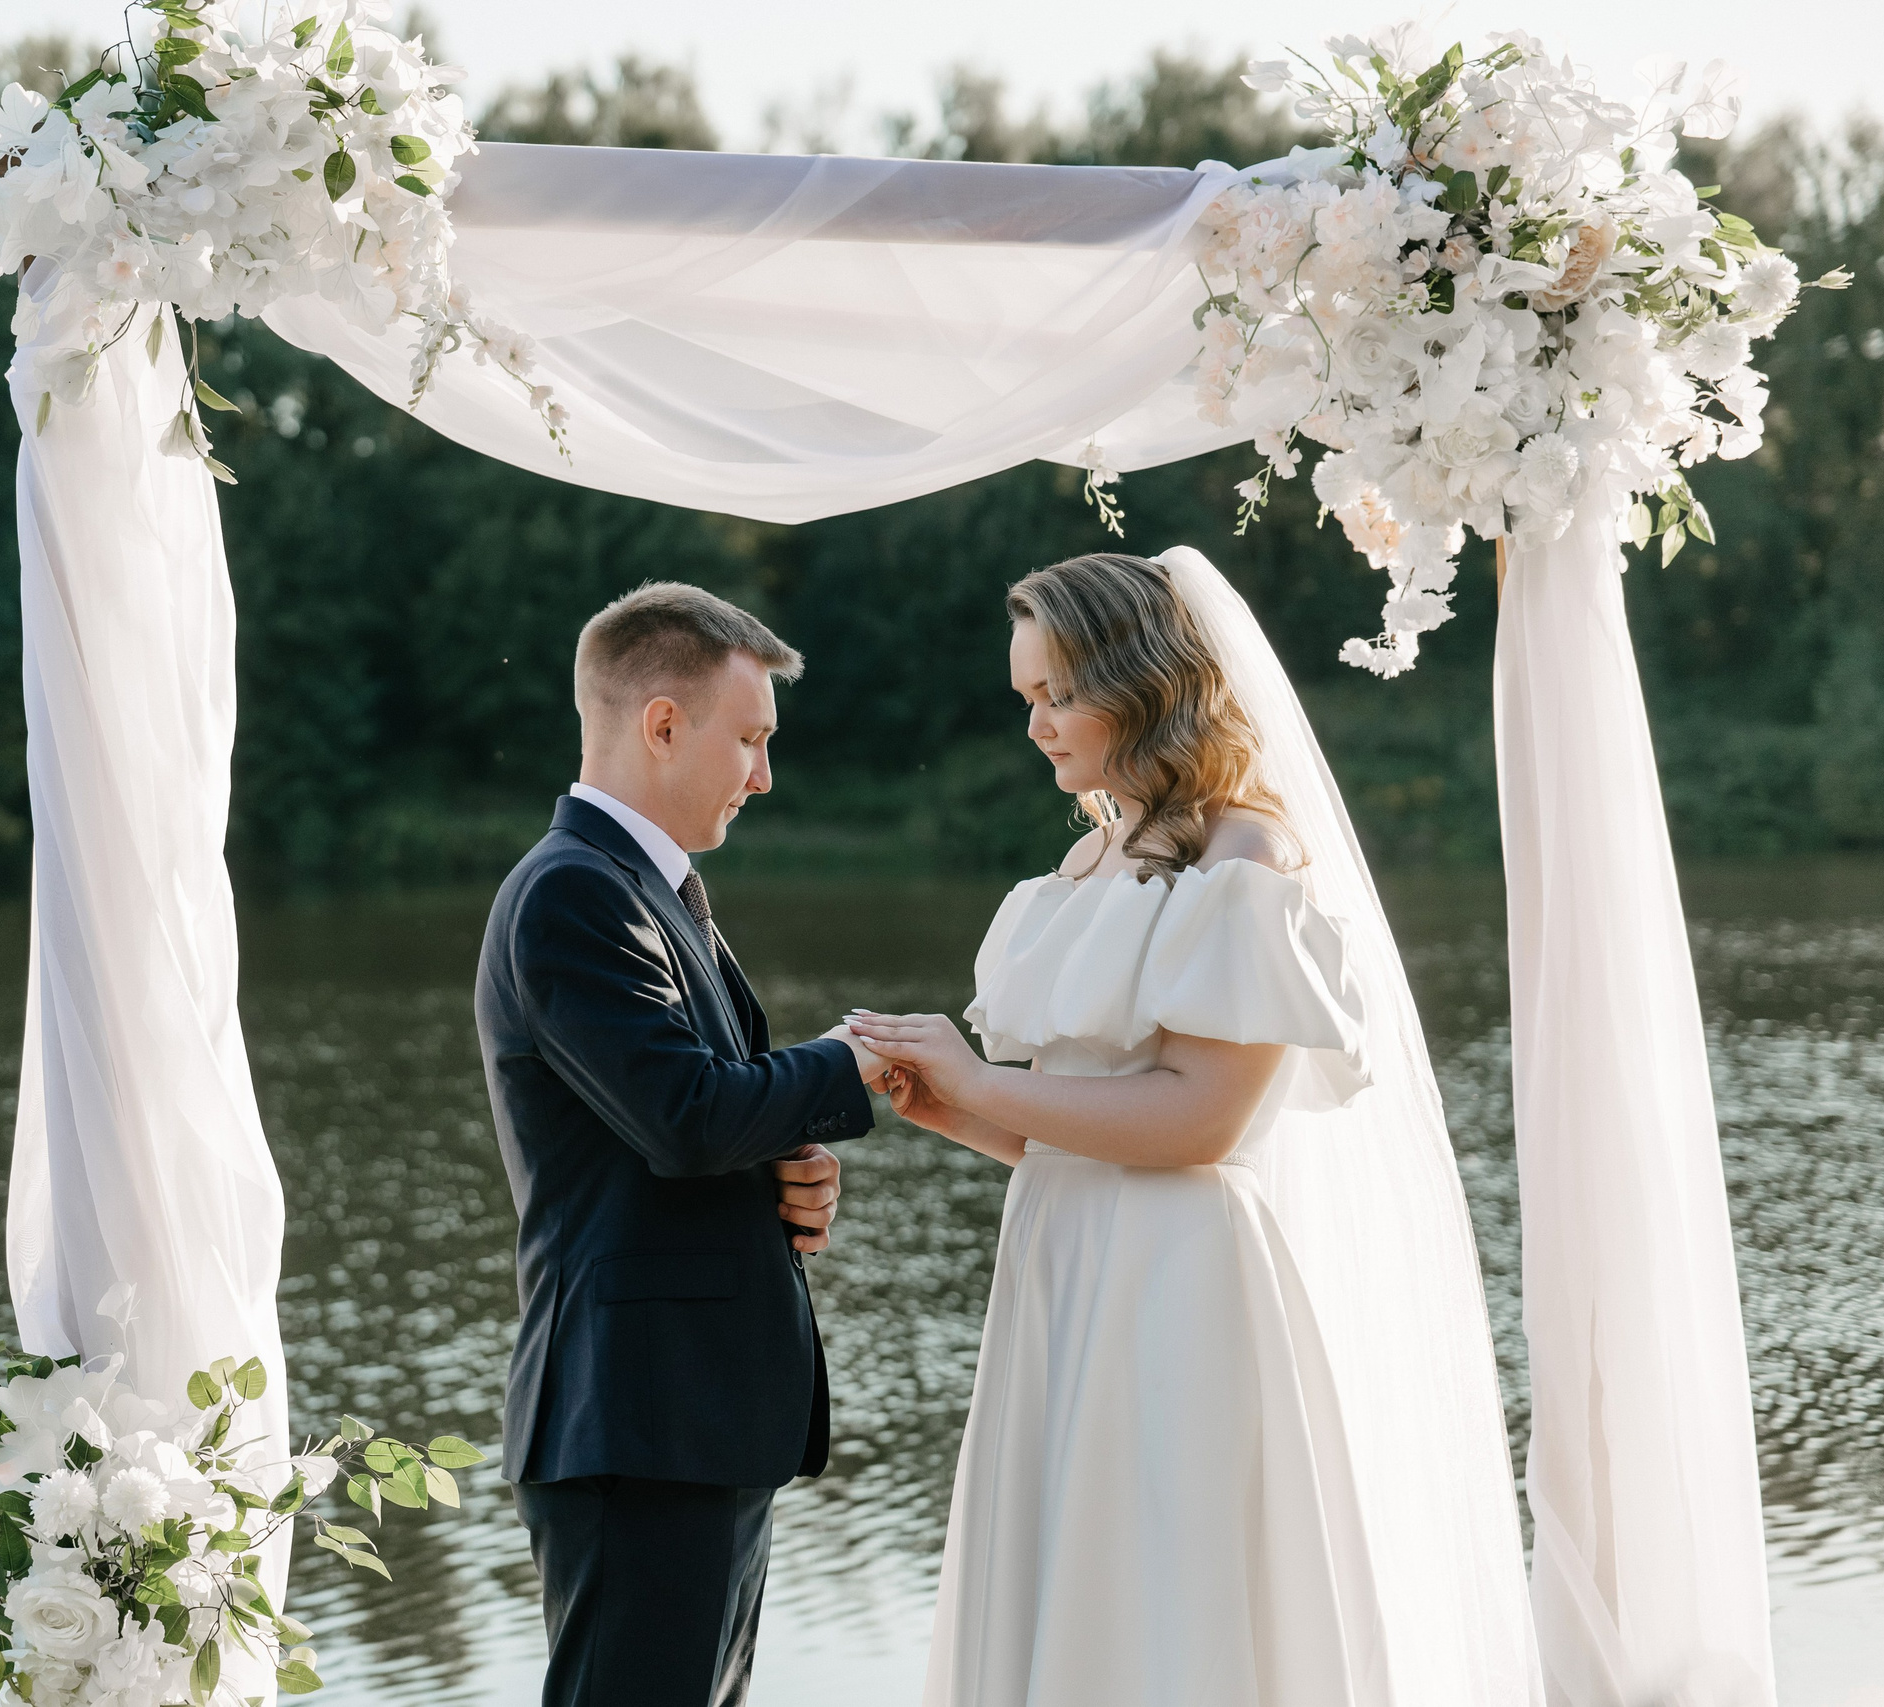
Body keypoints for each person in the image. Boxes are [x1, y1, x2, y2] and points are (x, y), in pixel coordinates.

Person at [851, 549, 1532, 1706]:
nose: (1038, 727)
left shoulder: (1246, 857)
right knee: (1063, 1590)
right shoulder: (1085, 860)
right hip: (1060, 1266)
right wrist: (954, 1107)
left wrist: (979, 1077)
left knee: (1169, 1603)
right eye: (1026, 699)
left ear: (1145, 680)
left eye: (1057, 695)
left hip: (1177, 1285)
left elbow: (1201, 1122)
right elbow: (1075, 1132)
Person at [474, 581, 890, 1707]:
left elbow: (694, 1120)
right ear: (663, 723)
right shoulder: (572, 894)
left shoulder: (645, 894)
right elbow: (684, 1116)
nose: (763, 775)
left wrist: (783, 1165)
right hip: (636, 1426)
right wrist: (856, 1061)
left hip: (689, 1426)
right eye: (749, 739)